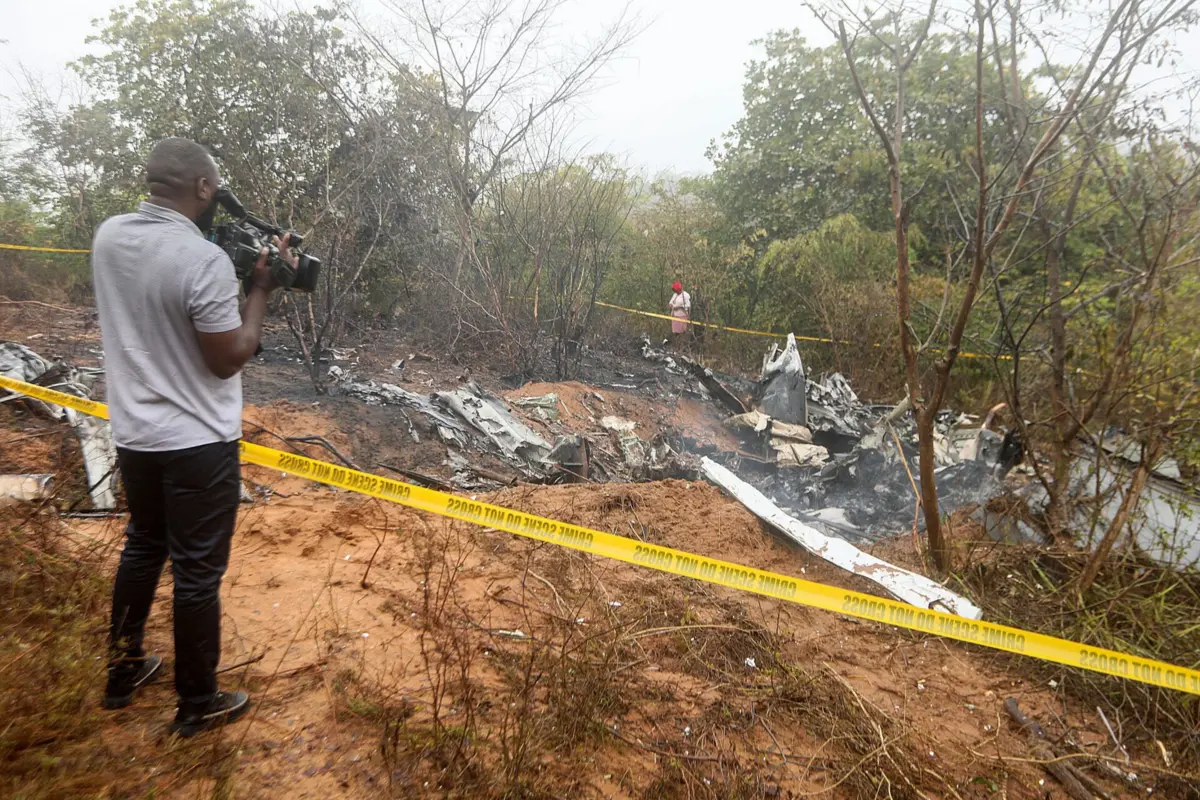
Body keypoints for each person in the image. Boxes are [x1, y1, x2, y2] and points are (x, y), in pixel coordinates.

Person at [93, 137, 291, 737]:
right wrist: (261, 287)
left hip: (134, 433)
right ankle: (198, 702)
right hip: (198, 442)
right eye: (214, 188)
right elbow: (228, 356)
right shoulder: (200, 260)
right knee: (198, 574)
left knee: (143, 544)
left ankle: (122, 672)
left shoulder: (109, 237)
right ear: (204, 188)